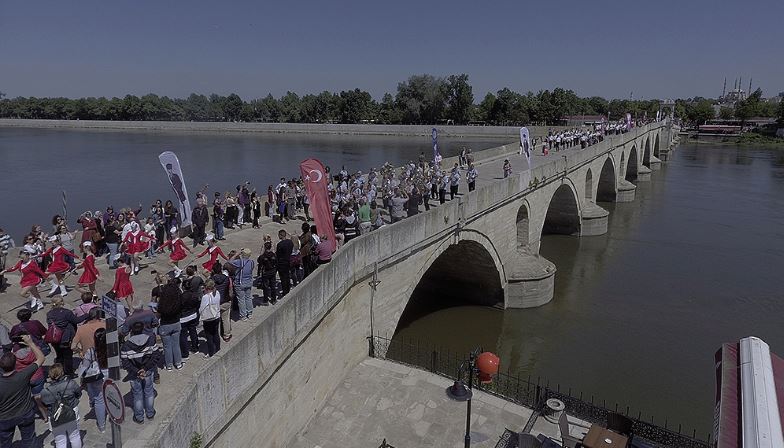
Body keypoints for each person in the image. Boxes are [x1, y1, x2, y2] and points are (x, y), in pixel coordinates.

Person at [0, 334, 45, 448]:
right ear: (15, 364)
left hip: (5, 418)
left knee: (5, 444)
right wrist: (30, 343)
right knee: (29, 441)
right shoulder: (23, 375)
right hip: (25, 413)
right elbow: (41, 358)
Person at [120, 322, 158, 424]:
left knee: (137, 395)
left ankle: (139, 417)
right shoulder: (150, 340)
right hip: (148, 371)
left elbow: (125, 363)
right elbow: (155, 356)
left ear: (132, 331)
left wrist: (137, 371)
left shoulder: (126, 346)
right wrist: (145, 369)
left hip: (133, 373)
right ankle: (150, 413)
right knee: (149, 392)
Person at [40, 363, 82, 448]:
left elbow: (44, 404)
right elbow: (79, 394)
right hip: (71, 411)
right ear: (62, 372)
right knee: (75, 436)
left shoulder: (45, 391)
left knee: (60, 441)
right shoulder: (71, 383)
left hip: (55, 416)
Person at [77, 328, 108, 433]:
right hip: (108, 376)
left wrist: (80, 375)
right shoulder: (112, 349)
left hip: (96, 377)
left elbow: (85, 366)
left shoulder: (91, 351)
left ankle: (102, 426)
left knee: (99, 401)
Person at [46, 296, 80, 376]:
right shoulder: (67, 312)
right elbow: (77, 320)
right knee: (68, 356)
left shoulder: (49, 313)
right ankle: (69, 373)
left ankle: (58, 372)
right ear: (61, 302)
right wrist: (87, 315)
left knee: (59, 355)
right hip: (65, 339)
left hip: (54, 338)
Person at [155, 279, 183, 371]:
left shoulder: (163, 304)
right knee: (176, 345)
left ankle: (169, 365)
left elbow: (158, 315)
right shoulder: (178, 301)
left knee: (167, 347)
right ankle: (178, 363)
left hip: (165, 326)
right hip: (176, 324)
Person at [179, 270, 202, 363]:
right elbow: (197, 305)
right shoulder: (194, 295)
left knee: (183, 335)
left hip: (183, 318)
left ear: (183, 287)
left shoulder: (181, 297)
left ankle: (185, 353)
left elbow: (179, 307)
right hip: (193, 315)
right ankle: (195, 348)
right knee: (193, 331)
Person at [230, 248, 255, 320]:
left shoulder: (239, 262)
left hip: (240, 282)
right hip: (249, 282)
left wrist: (236, 254)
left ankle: (243, 315)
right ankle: (249, 313)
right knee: (248, 297)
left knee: (241, 299)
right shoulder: (252, 262)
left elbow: (230, 261)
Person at [209, 263, 232, 342]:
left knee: (215, 320)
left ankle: (215, 335)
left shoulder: (211, 280)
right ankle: (227, 335)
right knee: (226, 319)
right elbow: (230, 289)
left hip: (215, 303)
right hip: (225, 300)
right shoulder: (226, 278)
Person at [199, 280, 221, 358]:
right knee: (216, 333)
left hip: (208, 319)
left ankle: (211, 353)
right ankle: (218, 349)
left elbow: (201, 309)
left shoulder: (205, 297)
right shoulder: (217, 293)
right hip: (217, 316)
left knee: (209, 336)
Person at [257, 241, 277, 305]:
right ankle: (273, 299)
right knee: (273, 286)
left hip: (266, 272)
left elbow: (259, 263)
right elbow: (276, 262)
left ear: (265, 248)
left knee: (265, 287)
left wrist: (258, 273)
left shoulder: (263, 256)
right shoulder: (274, 255)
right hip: (272, 271)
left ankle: (266, 300)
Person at [276, 230, 294, 297]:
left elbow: (278, 254)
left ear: (281, 235)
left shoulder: (280, 244)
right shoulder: (290, 242)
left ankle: (285, 292)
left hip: (282, 263)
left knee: (283, 278)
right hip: (288, 261)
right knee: (287, 276)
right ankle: (288, 289)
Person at [0, 227, 14, 293]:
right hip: (1, 254)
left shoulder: (6, 236)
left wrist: (14, 246)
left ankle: (2, 283)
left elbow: (11, 240)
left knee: (2, 269)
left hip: (4, 255)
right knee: (1, 269)